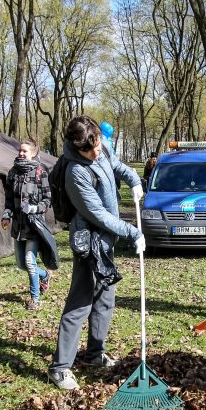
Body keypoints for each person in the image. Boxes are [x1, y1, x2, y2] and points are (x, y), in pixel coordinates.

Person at [47, 115, 145, 390]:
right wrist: (133, 232)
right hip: (89, 242)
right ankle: (60, 368)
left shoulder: (99, 149)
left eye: (97, 146)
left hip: (106, 241)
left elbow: (115, 165)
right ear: (76, 148)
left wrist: (134, 179)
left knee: (105, 298)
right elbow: (98, 214)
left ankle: (94, 354)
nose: (95, 153)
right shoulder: (75, 172)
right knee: (80, 303)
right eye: (89, 150)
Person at [1, 140, 58, 310]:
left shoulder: (40, 171)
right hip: (18, 226)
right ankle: (45, 275)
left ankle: (35, 299)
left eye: (25, 151)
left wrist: (34, 208)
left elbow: (48, 199)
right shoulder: (13, 172)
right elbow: (9, 199)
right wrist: (6, 215)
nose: (21, 153)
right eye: (20, 150)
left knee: (30, 261)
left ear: (33, 153)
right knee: (21, 264)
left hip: (34, 225)